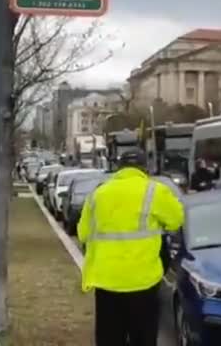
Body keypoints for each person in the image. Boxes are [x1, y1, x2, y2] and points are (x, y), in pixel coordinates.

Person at [77, 148, 184, 346]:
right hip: (143, 283)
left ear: (119, 168)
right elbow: (177, 220)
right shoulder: (155, 191)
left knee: (110, 339)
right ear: (145, 168)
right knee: (143, 339)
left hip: (106, 283)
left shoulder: (98, 195)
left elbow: (83, 233)